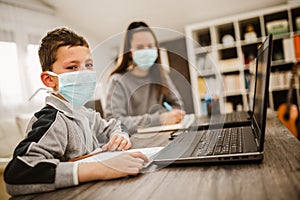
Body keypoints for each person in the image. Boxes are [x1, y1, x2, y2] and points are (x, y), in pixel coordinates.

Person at [4, 27, 148, 196]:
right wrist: (102, 169)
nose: (84, 73)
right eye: (72, 67)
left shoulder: (85, 113)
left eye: (88, 65)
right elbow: (17, 174)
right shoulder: (52, 120)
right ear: (49, 79)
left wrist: (120, 136)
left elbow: (117, 125)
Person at [104, 21, 186, 134]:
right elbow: (114, 123)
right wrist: (159, 119)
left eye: (150, 46)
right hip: (136, 143)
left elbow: (178, 105)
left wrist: (174, 114)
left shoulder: (162, 75)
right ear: (130, 53)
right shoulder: (117, 81)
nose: (146, 50)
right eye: (140, 47)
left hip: (166, 136)